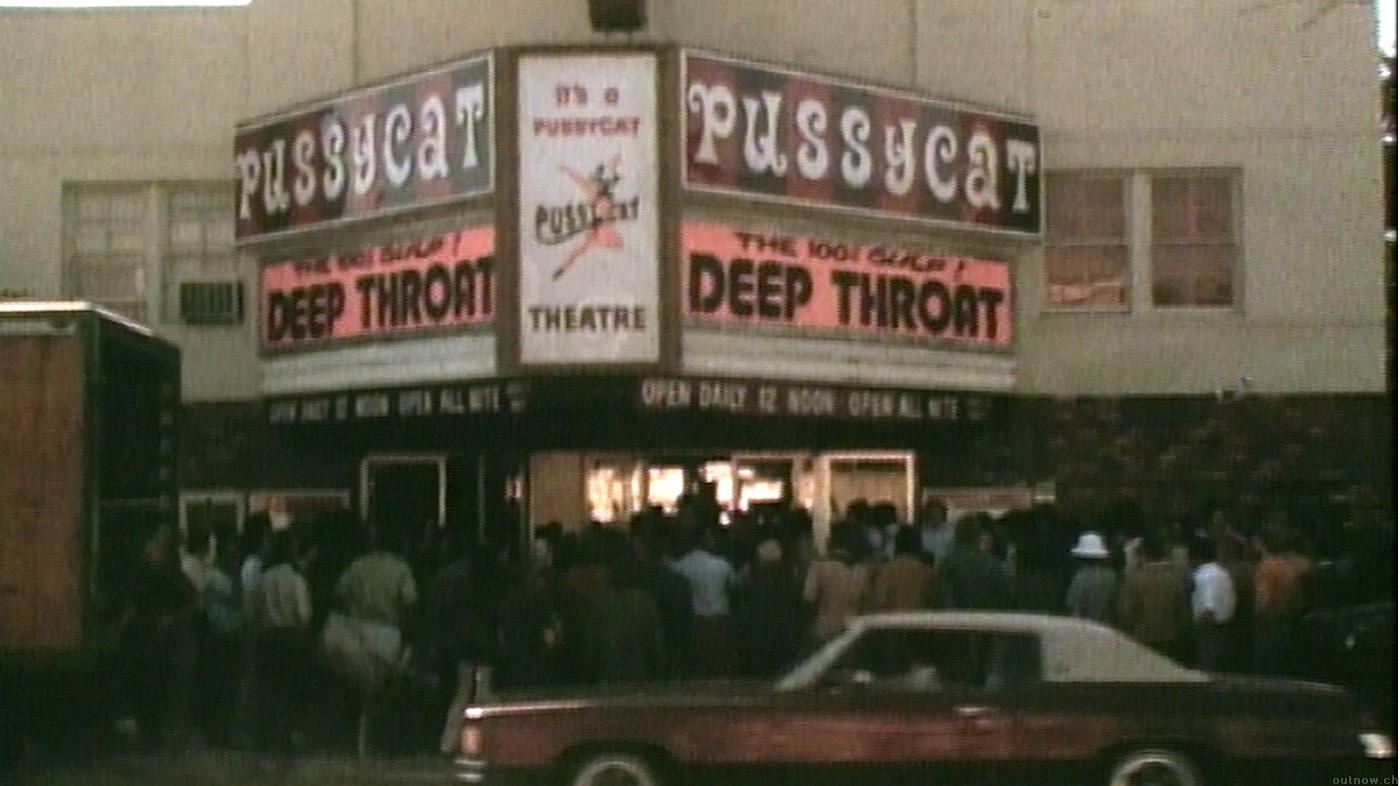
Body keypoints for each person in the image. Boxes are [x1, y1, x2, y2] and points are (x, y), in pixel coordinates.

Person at [114, 526, 197, 748]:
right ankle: (150, 734)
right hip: (145, 639)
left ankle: (157, 734)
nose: (148, 550)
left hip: (162, 642)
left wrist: (171, 619)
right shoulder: (143, 575)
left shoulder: (173, 576)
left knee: (159, 688)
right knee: (148, 687)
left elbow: (191, 601)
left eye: (154, 547)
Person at [254, 530, 312, 759]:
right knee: (290, 689)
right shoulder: (296, 579)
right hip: (290, 636)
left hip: (268, 636)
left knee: (269, 688)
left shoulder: (264, 577)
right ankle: (287, 736)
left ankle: (268, 736)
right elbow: (303, 614)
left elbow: (254, 610)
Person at [669, 527, 738, 677]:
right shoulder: (722, 564)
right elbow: (734, 588)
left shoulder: (680, 566)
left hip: (697, 620)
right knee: (723, 663)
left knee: (700, 665)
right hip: (721, 618)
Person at [732, 538, 806, 677]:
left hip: (757, 622)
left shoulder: (749, 572)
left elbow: (738, 594)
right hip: (782, 623)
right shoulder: (789, 573)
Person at [586, 556, 665, 683]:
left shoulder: (603, 602)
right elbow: (655, 641)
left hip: (608, 672)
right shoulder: (645, 601)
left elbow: (591, 643)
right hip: (640, 671)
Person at [1118, 533, 1190, 662]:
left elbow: (1127, 612)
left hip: (1141, 638)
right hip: (1168, 638)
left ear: (1142, 554)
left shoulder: (1134, 579)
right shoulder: (1174, 580)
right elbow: (1181, 613)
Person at [1251, 523, 1313, 676]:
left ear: (1260, 543)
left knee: (1266, 661)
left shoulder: (1265, 567)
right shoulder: (1289, 566)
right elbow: (1298, 598)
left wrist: (1259, 616)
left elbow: (1264, 599)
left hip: (1270, 620)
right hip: (1288, 617)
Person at [803, 526, 871, 643]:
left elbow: (809, 597)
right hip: (855, 629)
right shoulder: (865, 569)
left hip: (825, 627)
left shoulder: (820, 566)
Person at [936, 515, 1013, 611]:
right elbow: (1004, 596)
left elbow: (943, 594)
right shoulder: (991, 563)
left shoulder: (946, 561)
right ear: (978, 535)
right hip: (987, 613)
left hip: (956, 614)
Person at [1189, 535, 1236, 672]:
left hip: (1209, 628)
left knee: (1207, 667)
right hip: (1225, 625)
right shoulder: (1223, 572)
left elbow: (1209, 609)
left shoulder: (1204, 575)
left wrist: (1200, 628)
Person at [868, 527, 937, 612]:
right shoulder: (926, 571)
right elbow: (933, 600)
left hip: (891, 617)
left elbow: (880, 600)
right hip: (919, 617)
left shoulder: (885, 571)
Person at [1065, 532, 1117, 625]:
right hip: (1106, 627)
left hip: (1083, 627)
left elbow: (1071, 604)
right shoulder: (1111, 576)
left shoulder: (1079, 577)